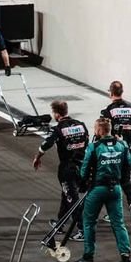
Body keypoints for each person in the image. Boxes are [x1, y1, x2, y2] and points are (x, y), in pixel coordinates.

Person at [75, 118, 131, 262]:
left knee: (89, 222)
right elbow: (129, 163)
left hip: (97, 189)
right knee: (118, 223)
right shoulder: (122, 145)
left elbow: (84, 169)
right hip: (116, 188)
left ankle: (88, 257)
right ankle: (125, 257)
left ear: (99, 131)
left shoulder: (94, 147)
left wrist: (82, 182)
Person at [33, 100, 89, 239]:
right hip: (82, 165)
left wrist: (37, 157)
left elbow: (46, 144)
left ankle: (82, 230)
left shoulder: (58, 129)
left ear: (57, 114)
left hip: (67, 168)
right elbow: (87, 142)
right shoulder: (81, 125)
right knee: (67, 194)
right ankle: (60, 224)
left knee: (72, 198)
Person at [103, 81, 131, 225]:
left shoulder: (109, 110)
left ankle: (113, 213)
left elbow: (104, 132)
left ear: (111, 93)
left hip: (114, 151)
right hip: (129, 150)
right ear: (122, 92)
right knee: (126, 181)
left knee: (110, 182)